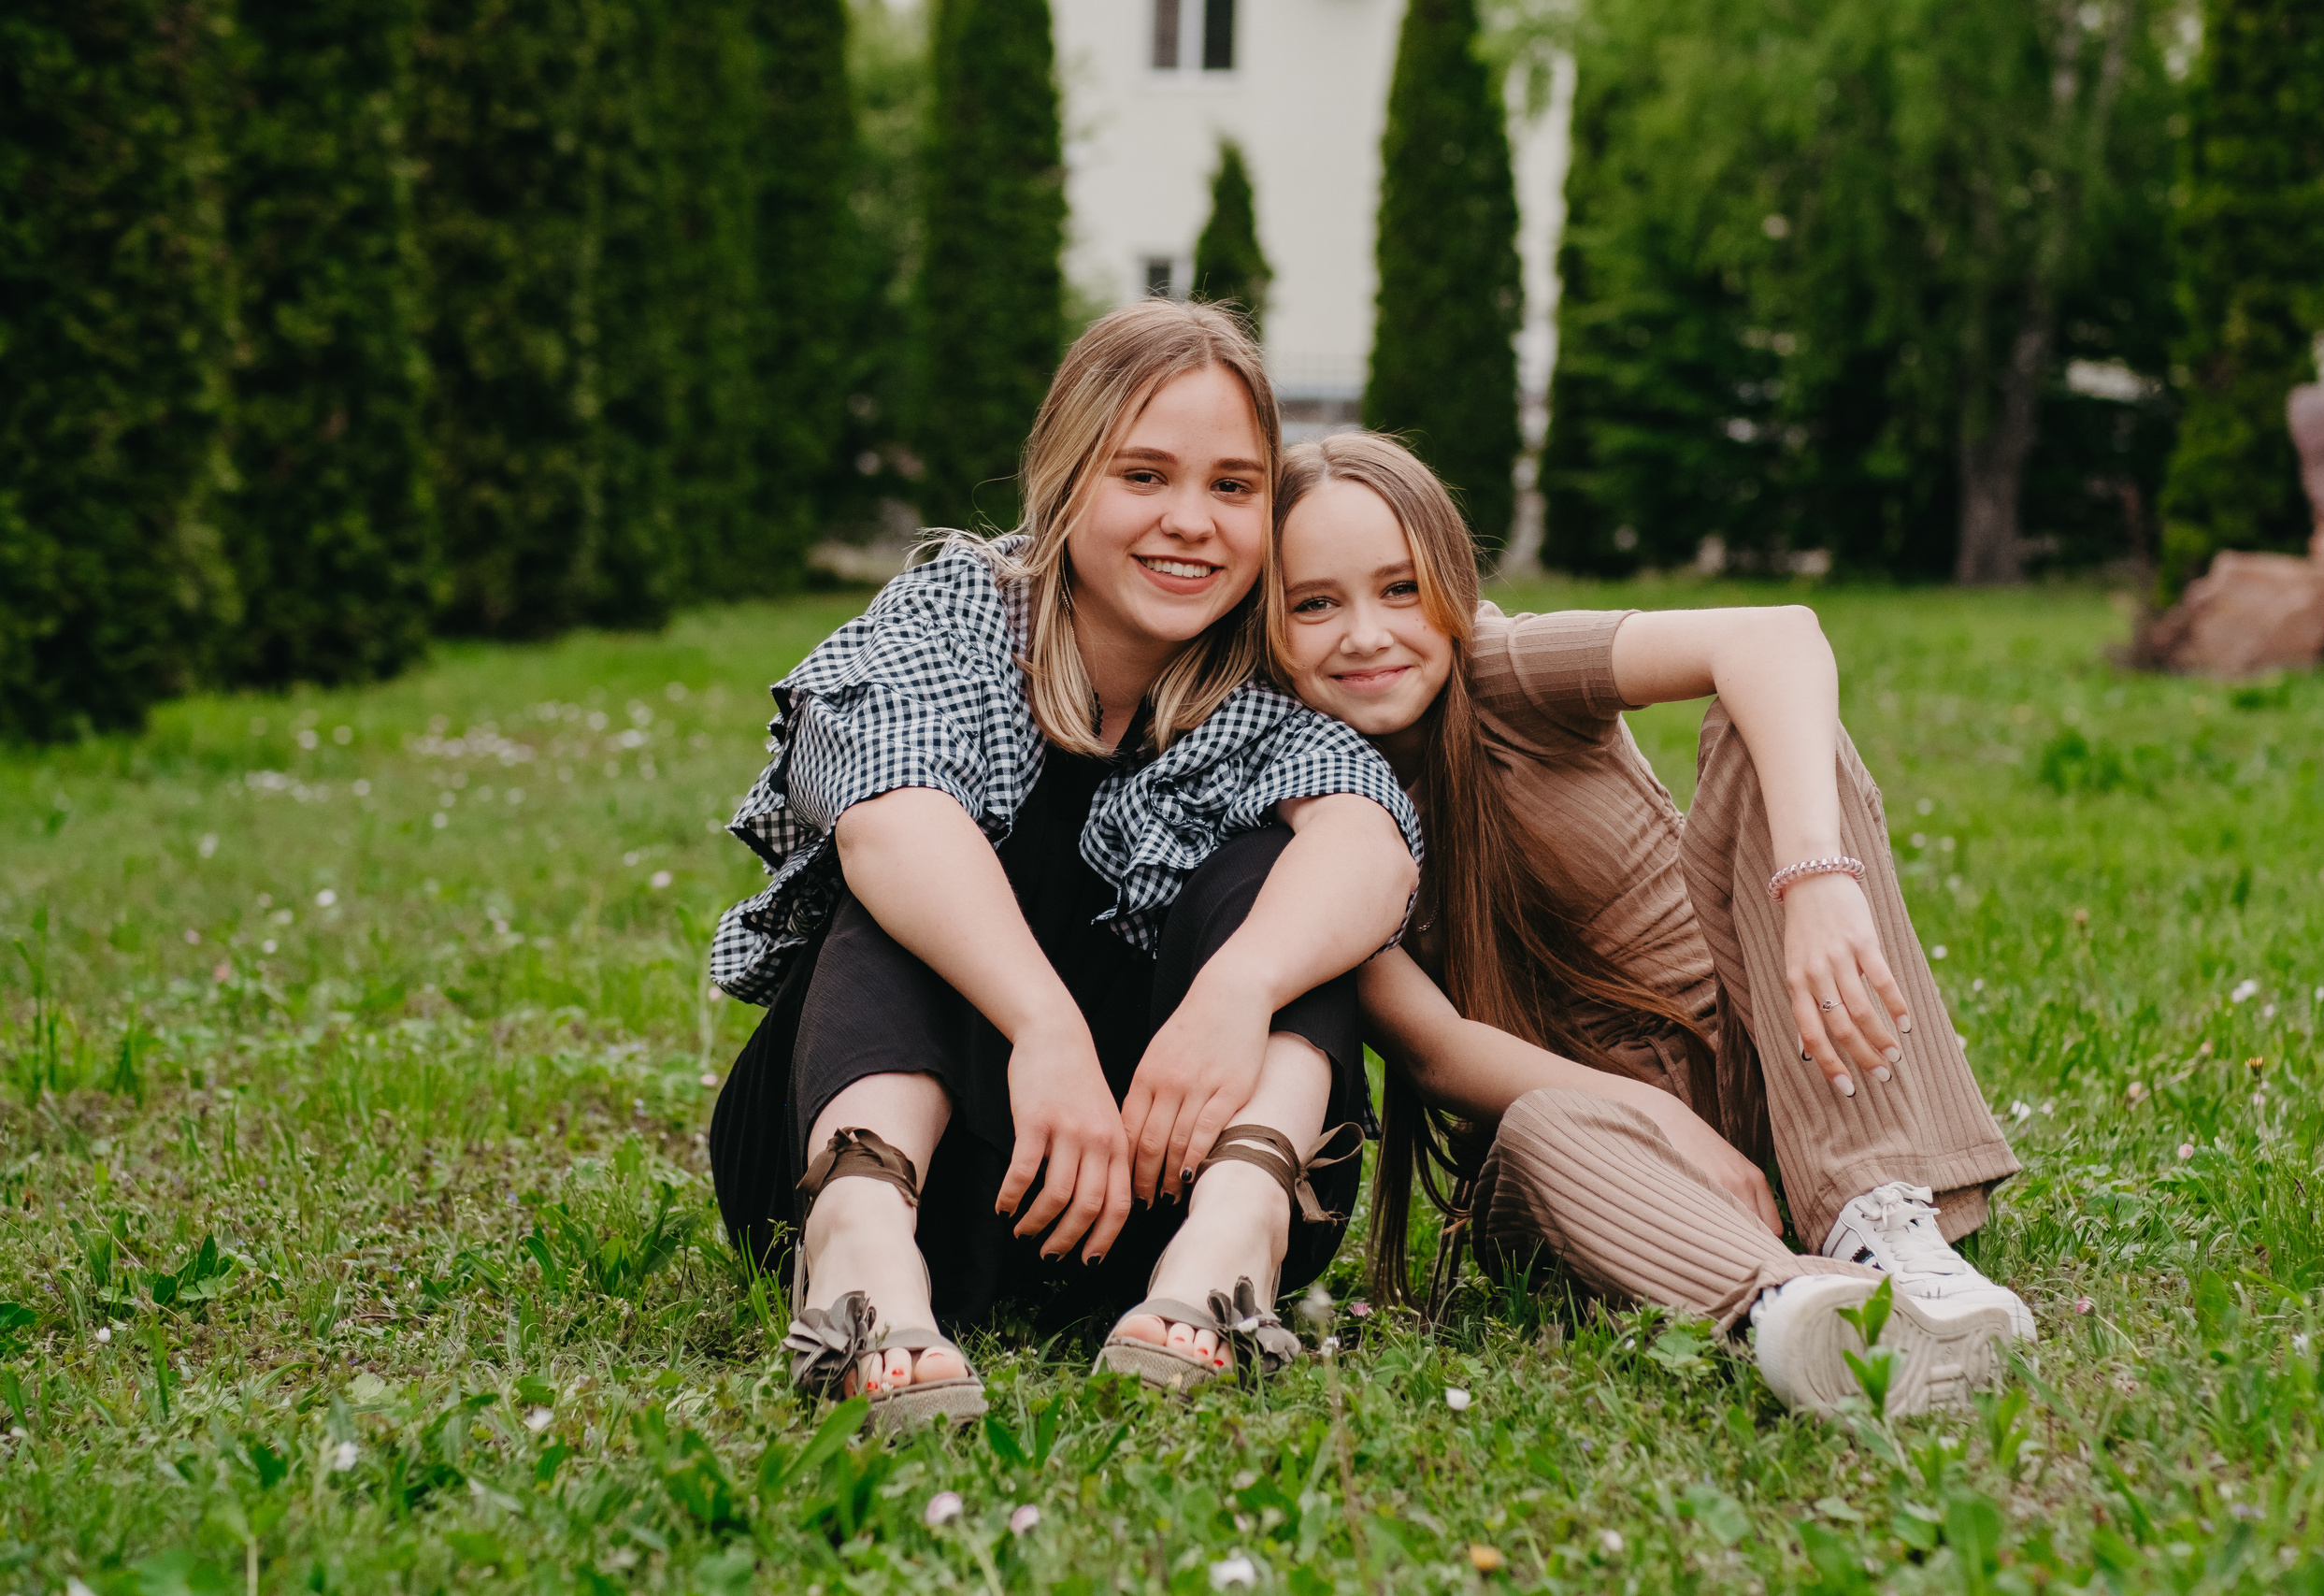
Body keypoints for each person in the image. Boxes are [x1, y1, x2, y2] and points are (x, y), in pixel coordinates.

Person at [704, 303, 1421, 1431]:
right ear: (1066, 473)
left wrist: (1236, 992)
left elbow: (1369, 841)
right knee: (921, 863)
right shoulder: (962, 613)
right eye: (1145, 474)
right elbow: (887, 818)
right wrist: (1044, 1026)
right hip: (875, 1162)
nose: (1190, 523)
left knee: (1282, 887)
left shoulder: (1261, 680)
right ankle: (857, 1256)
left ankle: (1234, 1244)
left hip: (1155, 1194)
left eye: (1233, 488)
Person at [1266, 432, 2031, 1418]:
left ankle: (1879, 1224)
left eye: (1401, 589)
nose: (1366, 633)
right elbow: (1437, 1050)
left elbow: (1772, 638)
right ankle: (1789, 1309)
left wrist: (1815, 877)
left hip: (1780, 1080)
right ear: (1265, 626)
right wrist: (1655, 1117)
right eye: (1315, 604)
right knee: (1537, 1123)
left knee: (1763, 740)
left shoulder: (1504, 672)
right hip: (1597, 1168)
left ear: (1452, 589)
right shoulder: (1293, 805)